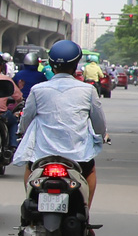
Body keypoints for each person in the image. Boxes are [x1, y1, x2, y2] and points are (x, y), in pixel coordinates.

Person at [12, 38, 107, 224]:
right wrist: (102, 135)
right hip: (78, 155)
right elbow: (98, 121)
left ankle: (30, 204)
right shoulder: (87, 90)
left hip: (42, 154)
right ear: (75, 65)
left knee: (29, 169)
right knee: (91, 171)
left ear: (52, 65)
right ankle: (86, 214)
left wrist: (22, 132)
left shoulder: (38, 90)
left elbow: (27, 119)